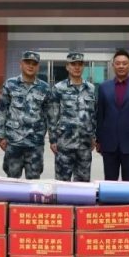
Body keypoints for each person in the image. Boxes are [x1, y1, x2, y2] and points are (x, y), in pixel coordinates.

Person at [0, 51, 51, 179]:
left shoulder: (44, 88)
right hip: (14, 142)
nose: (30, 66)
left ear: (38, 67)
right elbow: (2, 111)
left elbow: (48, 115)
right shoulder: (10, 85)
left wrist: (43, 136)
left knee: (34, 181)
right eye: (27, 63)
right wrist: (1, 136)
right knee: (12, 179)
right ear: (21, 64)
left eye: (34, 64)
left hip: (35, 143)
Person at [95, 49, 129, 181]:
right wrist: (98, 140)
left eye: (124, 63)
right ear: (113, 65)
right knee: (110, 181)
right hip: (109, 142)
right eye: (118, 63)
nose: (121, 66)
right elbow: (100, 115)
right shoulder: (103, 87)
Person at [48, 52, 97, 182]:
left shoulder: (90, 89)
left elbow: (93, 115)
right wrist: (53, 140)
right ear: (67, 66)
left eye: (80, 64)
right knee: (62, 183)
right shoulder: (58, 88)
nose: (76, 67)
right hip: (64, 144)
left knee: (83, 184)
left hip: (84, 145)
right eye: (73, 64)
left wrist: (94, 136)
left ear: (83, 66)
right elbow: (52, 116)